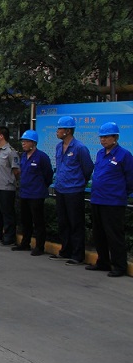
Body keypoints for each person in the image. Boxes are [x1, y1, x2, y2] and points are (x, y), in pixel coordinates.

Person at [86, 122, 133, 277]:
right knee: (99, 234)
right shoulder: (100, 153)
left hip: (113, 202)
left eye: (106, 137)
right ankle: (103, 262)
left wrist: (120, 193)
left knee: (114, 235)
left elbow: (130, 179)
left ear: (115, 137)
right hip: (97, 199)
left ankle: (119, 266)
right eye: (101, 137)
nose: (103, 140)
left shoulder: (124, 155)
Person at [51, 116, 94, 265]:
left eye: (60, 128)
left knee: (76, 223)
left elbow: (88, 168)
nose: (57, 131)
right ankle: (65, 250)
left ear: (68, 131)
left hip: (74, 190)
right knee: (63, 222)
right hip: (61, 189)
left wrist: (79, 182)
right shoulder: (59, 147)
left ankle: (77, 254)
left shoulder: (80, 148)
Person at [15, 130, 53, 255]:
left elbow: (48, 175)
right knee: (25, 220)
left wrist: (41, 186)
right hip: (24, 193)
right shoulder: (23, 156)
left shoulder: (41, 157)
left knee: (38, 221)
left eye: (26, 141)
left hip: (36, 194)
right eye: (23, 141)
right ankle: (25, 243)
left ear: (33, 143)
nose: (23, 144)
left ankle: (39, 246)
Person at [0, 127, 20, 246]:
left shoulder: (11, 152)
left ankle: (9, 236)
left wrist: (11, 181)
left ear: (1, 136)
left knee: (7, 213)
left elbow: (16, 171)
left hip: (6, 188)